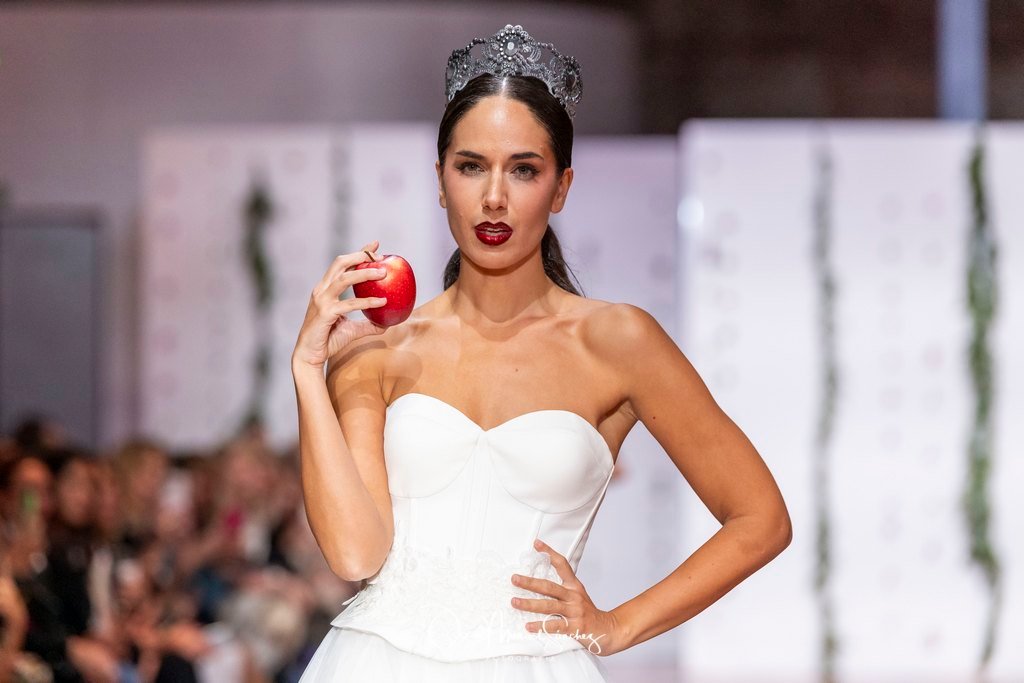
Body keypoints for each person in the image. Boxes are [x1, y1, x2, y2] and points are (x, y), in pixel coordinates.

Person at [292, 24, 792, 681]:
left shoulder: (617, 341)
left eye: (523, 169)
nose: (494, 197)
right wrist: (308, 371)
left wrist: (618, 625)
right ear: (440, 180)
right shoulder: (380, 349)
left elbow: (761, 518)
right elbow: (356, 554)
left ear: (561, 187)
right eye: (471, 166)